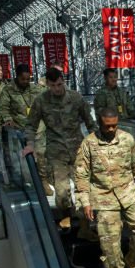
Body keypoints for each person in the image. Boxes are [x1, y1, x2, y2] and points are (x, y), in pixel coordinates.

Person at [75, 107, 135, 268]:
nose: (111, 129)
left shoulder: (127, 139)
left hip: (129, 192)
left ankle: (132, 257)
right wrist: (85, 202)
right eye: (107, 126)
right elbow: (81, 174)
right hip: (103, 197)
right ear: (99, 124)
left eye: (114, 126)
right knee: (110, 243)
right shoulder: (89, 143)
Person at [26, 67, 94, 230]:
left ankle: (84, 225)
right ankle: (65, 217)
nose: (57, 88)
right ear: (47, 84)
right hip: (56, 152)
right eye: (53, 85)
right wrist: (30, 144)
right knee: (62, 192)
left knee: (83, 188)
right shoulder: (41, 101)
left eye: (59, 84)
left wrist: (97, 141)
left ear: (63, 82)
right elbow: (30, 125)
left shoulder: (75, 98)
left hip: (78, 149)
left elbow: (89, 121)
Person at [0, 63, 51, 192]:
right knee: (23, 157)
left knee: (41, 153)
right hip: (19, 128)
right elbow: (3, 107)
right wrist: (8, 119)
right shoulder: (8, 90)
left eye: (28, 79)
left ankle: (44, 181)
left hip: (37, 128)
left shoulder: (35, 89)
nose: (26, 81)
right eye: (23, 79)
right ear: (17, 77)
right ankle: (28, 182)